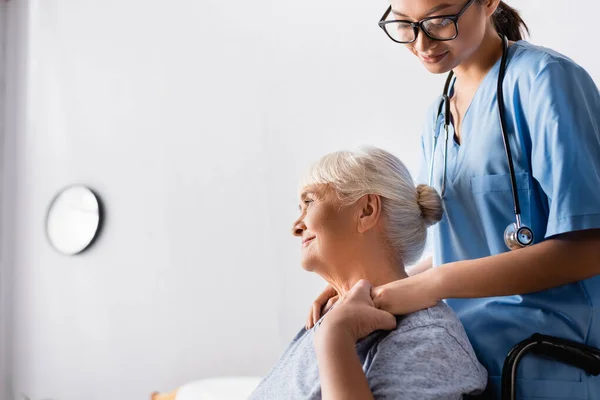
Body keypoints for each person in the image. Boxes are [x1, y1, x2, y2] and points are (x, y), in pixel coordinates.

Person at [307, 1, 600, 398]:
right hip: (460, 365)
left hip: (545, 363)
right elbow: (465, 246)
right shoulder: (438, 118)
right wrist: (368, 287)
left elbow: (590, 247)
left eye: (441, 20)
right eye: (405, 26)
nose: (422, 42)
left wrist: (434, 284)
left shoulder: (546, 82)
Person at [249, 147, 487, 399]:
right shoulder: (329, 316)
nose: (296, 227)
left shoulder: (425, 339)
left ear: (366, 211)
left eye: (309, 202)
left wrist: (334, 338)